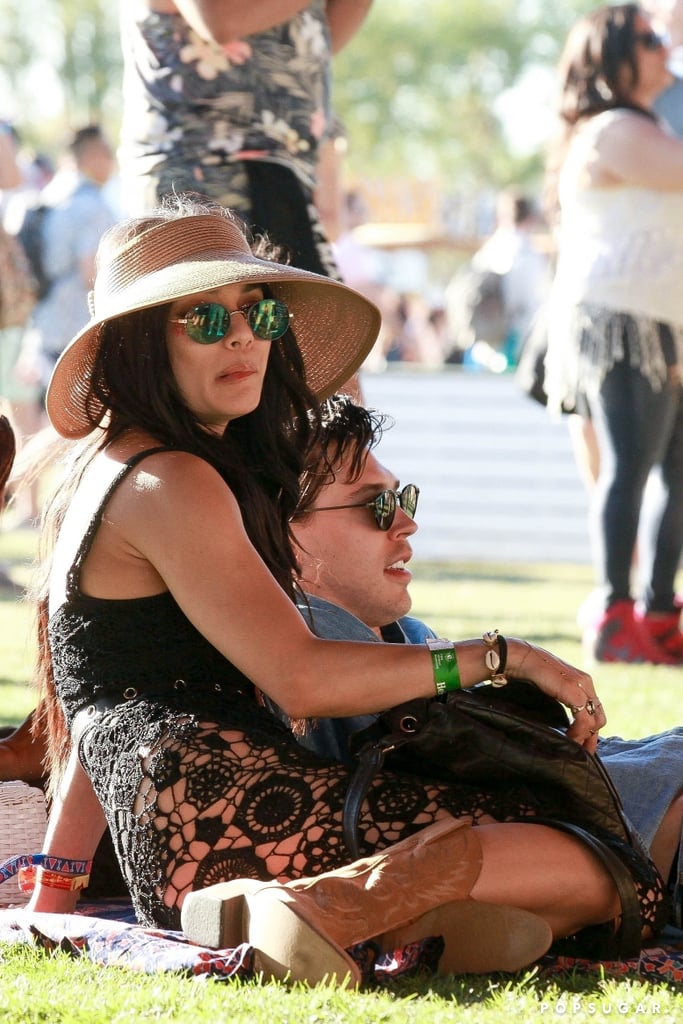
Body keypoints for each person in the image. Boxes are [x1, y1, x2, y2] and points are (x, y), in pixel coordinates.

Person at [21, 196, 662, 983]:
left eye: (256, 314)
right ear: (138, 347)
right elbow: (302, 675)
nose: (246, 339)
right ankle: (328, 912)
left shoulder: (115, 471)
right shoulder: (173, 480)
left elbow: (100, 712)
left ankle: (381, 921)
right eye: (205, 321)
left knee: (562, 859)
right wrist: (501, 657)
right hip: (231, 814)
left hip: (186, 840)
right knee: (594, 859)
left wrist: (56, 886)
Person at [283, 393, 682, 931]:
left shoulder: (406, 637)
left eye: (403, 499)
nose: (405, 523)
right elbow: (328, 687)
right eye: (375, 506)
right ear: (283, 530)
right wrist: (499, 656)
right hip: (625, 842)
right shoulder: (308, 639)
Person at [543, 4, 683, 665]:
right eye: (649, 41)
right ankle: (614, 612)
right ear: (614, 56)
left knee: (675, 471)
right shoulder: (612, 129)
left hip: (662, 321)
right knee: (628, 468)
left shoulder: (645, 124)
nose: (663, 50)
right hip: (619, 319)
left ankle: (657, 612)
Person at [118, 0, 372, 281]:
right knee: (215, 315)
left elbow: (314, 42)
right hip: (204, 175)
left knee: (310, 318)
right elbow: (219, 19)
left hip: (279, 175)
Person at [16, 125, 117, 403]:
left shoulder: (49, 195)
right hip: (78, 330)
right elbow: (93, 275)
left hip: (46, 326)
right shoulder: (91, 205)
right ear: (93, 155)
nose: (112, 160)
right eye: (108, 152)